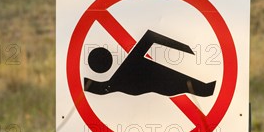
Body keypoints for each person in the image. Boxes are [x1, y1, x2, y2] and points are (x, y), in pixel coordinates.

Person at [84, 30, 216, 97]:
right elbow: (149, 39)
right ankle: (203, 89)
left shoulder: (115, 80)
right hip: (131, 76)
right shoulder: (119, 79)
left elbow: (149, 39)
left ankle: (203, 89)